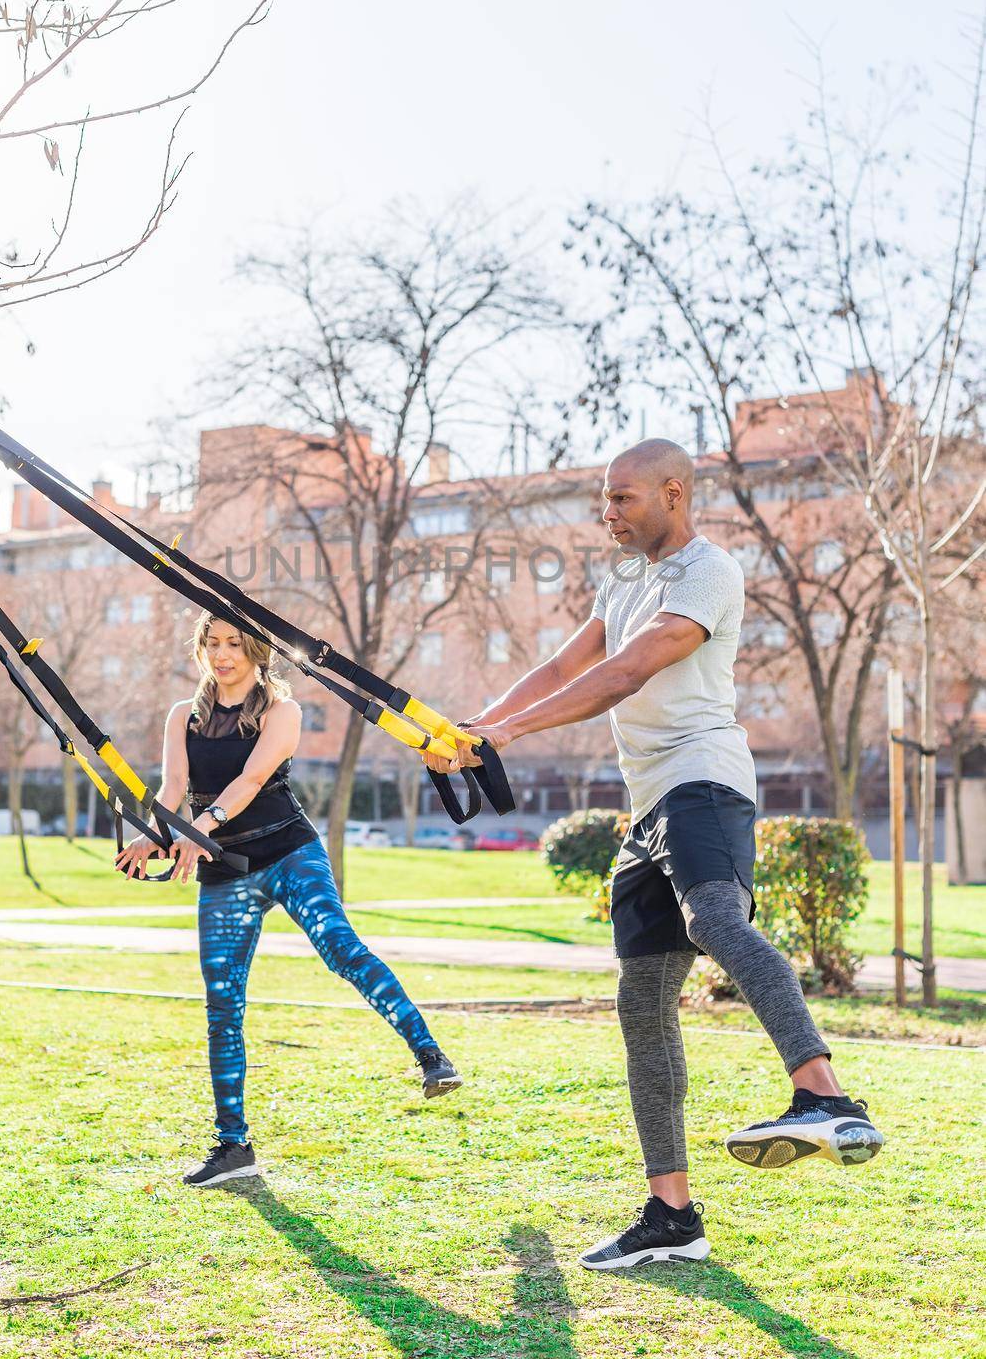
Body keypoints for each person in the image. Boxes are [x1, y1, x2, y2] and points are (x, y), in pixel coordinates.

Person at [427, 438, 884, 1270]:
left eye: (623, 498)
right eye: (604, 498)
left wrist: (503, 734)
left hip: (703, 781)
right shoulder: (624, 577)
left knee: (715, 920)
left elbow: (628, 671)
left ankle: (825, 1096)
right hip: (647, 810)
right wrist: (470, 729)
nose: (607, 512)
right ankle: (672, 1215)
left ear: (674, 493)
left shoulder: (710, 571)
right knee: (641, 1004)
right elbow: (567, 663)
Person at [116, 611, 461, 1187]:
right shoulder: (184, 715)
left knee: (339, 948)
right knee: (222, 1004)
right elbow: (173, 791)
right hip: (224, 870)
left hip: (290, 854)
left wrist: (197, 831)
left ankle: (430, 1056)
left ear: (257, 652)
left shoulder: (284, 711)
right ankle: (233, 1145)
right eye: (212, 643)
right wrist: (153, 836)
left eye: (234, 644)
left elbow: (249, 782)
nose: (222, 655)